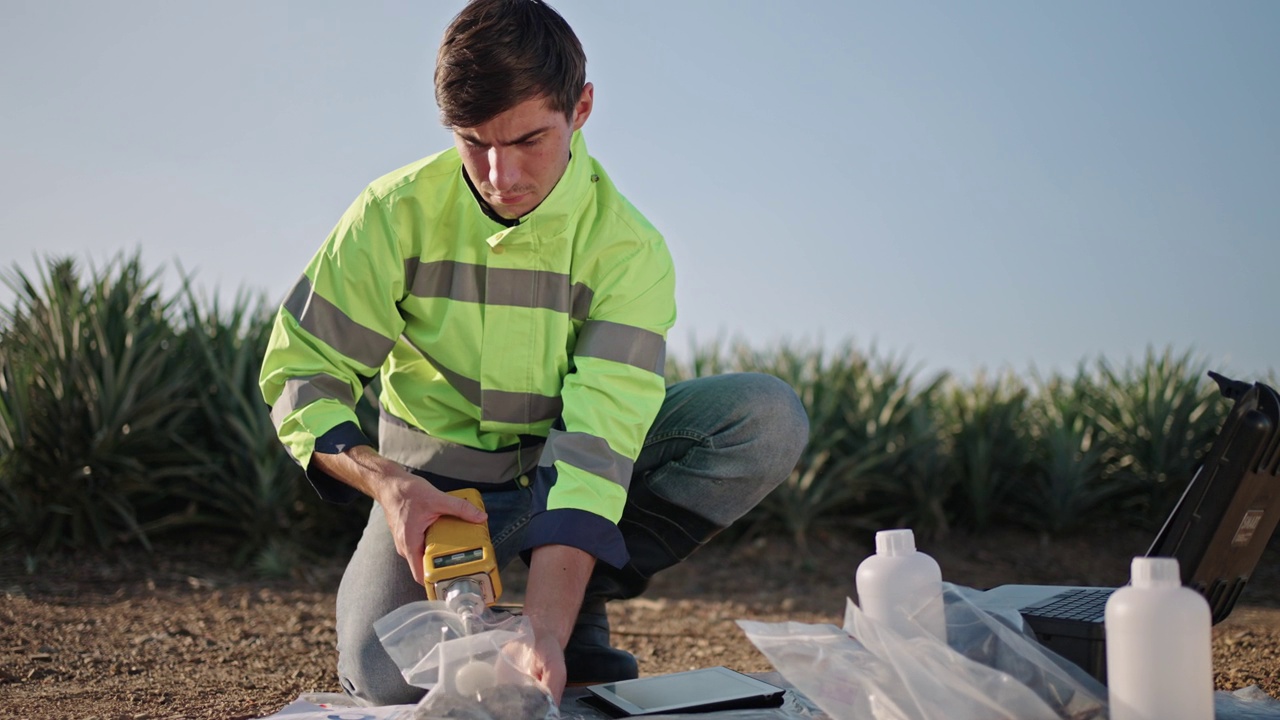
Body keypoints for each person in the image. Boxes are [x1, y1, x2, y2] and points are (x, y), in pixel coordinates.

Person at [259, 0, 808, 707]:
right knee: (384, 679)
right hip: (435, 488)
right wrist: (389, 485)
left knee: (765, 417)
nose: (499, 174)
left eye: (528, 140)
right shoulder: (391, 215)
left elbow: (596, 444)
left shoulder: (629, 251)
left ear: (580, 109)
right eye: (473, 143)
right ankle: (532, 608)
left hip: (565, 468)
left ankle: (569, 599)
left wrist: (546, 628)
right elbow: (302, 371)